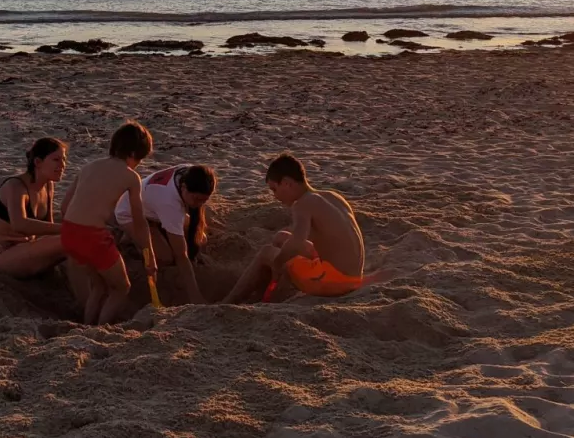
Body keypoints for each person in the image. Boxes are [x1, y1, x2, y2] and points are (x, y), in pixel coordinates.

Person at [223, 153, 365, 303]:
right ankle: (260, 297)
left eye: (274, 189)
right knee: (281, 238)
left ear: (286, 183)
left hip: (333, 283)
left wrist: (277, 265)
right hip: (354, 279)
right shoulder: (333, 197)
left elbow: (297, 243)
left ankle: (228, 302)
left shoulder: (303, 203)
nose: (275, 196)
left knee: (266, 253)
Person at [60, 121, 158, 325]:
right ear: (132, 154)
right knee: (121, 288)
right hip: (92, 237)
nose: (138, 164)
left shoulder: (88, 167)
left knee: (99, 286)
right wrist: (150, 256)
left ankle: (88, 326)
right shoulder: (131, 177)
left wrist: (102, 219)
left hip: (69, 232)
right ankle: (101, 329)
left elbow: (64, 206)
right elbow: (139, 222)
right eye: (139, 159)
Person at [113, 163, 216, 304]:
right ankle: (131, 239)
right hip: (130, 214)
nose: (199, 204)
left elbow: (196, 219)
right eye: (196, 199)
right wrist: (195, 296)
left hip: (154, 211)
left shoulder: (192, 174)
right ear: (184, 188)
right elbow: (181, 256)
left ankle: (157, 229)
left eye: (204, 200)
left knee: (201, 239)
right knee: (165, 257)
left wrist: (196, 250)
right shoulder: (170, 204)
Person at [0, 137, 68, 276]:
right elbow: (20, 225)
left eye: (64, 159)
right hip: (5, 253)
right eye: (56, 160)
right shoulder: (16, 186)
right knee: (75, 239)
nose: (63, 165)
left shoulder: (48, 185)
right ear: (38, 162)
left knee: (80, 246)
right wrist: (71, 229)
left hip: (30, 248)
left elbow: (48, 226)